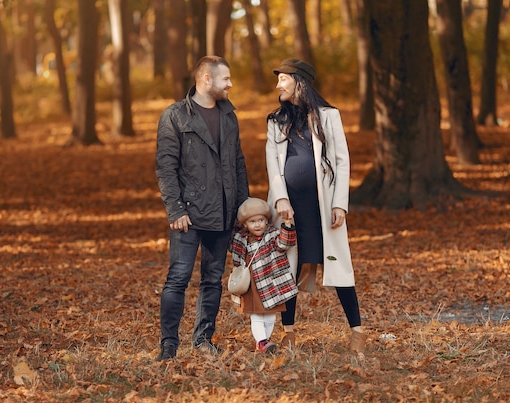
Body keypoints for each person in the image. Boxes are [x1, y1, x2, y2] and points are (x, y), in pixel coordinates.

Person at [265, 58, 366, 355]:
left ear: (300, 82)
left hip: (323, 206)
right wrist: (281, 198)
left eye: (282, 79)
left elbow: (342, 161)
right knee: (288, 269)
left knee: (339, 267)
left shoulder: (329, 116)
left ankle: (357, 333)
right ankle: (289, 334)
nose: (277, 85)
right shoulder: (276, 121)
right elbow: (273, 164)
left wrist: (340, 204)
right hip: (289, 208)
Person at [155, 56, 250, 361]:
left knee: (212, 279)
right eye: (226, 79)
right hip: (188, 215)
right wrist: (175, 210)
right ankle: (168, 344)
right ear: (207, 79)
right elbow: (165, 167)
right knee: (178, 278)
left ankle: (203, 340)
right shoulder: (174, 116)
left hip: (223, 212)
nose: (230, 84)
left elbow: (237, 164)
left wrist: (242, 208)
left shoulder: (228, 116)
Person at [229, 197, 298, 354]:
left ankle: (264, 343)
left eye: (261, 220)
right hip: (252, 285)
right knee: (257, 316)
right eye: (252, 221)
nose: (258, 224)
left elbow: (285, 243)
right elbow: (233, 250)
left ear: (266, 220)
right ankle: (261, 342)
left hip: (270, 283)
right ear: (245, 224)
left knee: (270, 316)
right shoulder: (240, 239)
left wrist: (287, 224)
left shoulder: (272, 234)